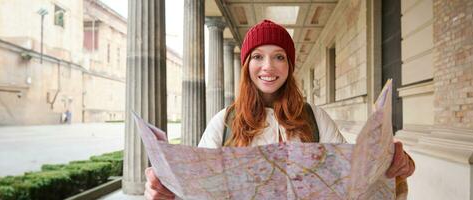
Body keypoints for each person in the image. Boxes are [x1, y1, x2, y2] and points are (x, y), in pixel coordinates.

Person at [144, 19, 415, 200]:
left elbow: (352, 182)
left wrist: (393, 166)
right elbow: (196, 190)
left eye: (279, 57)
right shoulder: (223, 121)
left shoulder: (316, 118)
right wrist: (164, 191)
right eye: (258, 57)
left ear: (289, 65)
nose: (268, 67)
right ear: (247, 65)